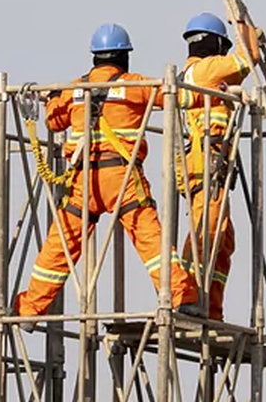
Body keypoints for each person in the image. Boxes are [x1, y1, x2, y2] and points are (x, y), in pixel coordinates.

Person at [14, 24, 199, 326]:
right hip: (120, 178)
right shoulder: (134, 84)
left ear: (94, 58)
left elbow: (54, 121)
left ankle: (30, 309)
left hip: (82, 180)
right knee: (150, 239)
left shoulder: (75, 89)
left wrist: (52, 97)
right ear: (125, 56)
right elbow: (174, 97)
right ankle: (182, 297)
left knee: (60, 246)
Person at [177, 12, 261, 321]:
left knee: (223, 239)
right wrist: (250, 30)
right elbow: (246, 60)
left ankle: (209, 308)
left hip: (208, 165)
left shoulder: (198, 75)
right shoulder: (206, 70)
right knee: (208, 233)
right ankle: (188, 298)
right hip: (206, 164)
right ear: (215, 44)